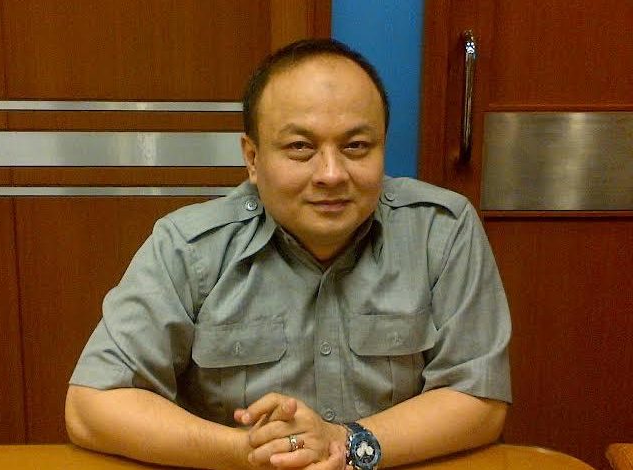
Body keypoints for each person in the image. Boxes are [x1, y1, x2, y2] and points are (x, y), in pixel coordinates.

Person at [65, 38, 511, 470]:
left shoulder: (441, 230)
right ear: (252, 158)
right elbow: (91, 406)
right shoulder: (189, 246)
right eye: (301, 147)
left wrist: (345, 444)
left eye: (356, 146)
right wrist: (252, 452)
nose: (331, 174)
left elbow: (479, 399)